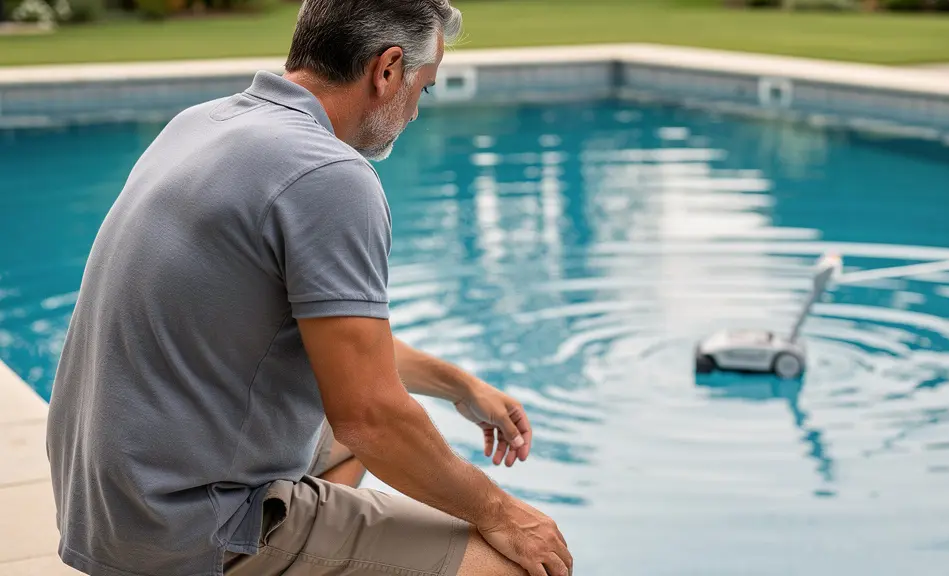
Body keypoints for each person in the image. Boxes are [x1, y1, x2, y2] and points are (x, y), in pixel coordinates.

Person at [44, 1, 573, 575]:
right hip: (184, 524)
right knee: (519, 564)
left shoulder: (203, 122)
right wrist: (503, 513)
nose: (418, 109)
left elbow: (326, 350)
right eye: (425, 87)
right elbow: (369, 415)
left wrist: (459, 386)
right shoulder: (330, 175)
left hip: (102, 499)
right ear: (388, 69)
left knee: (339, 439)